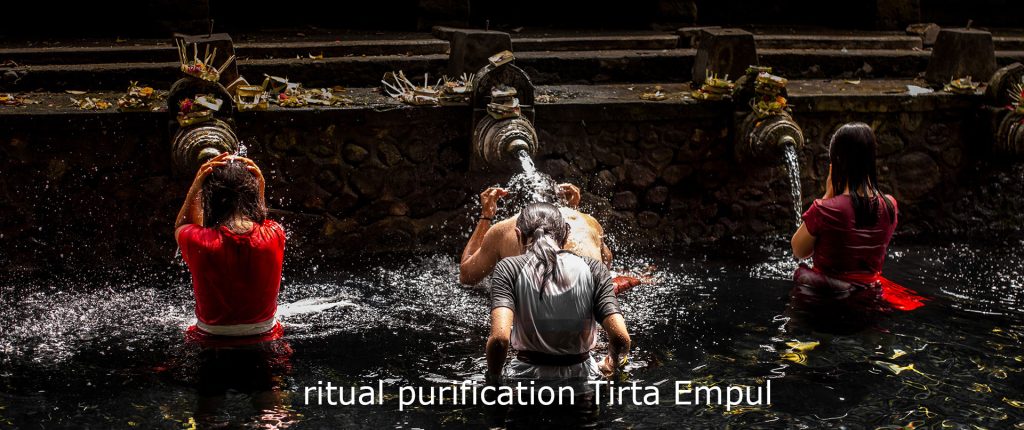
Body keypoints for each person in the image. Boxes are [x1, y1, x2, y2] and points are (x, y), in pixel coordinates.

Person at [486, 203, 631, 382]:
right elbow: (620, 338)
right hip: (582, 381)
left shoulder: (508, 268)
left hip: (525, 381)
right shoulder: (594, 268)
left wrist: (494, 380)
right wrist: (611, 363)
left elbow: (499, 339)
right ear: (566, 233)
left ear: (519, 235)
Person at [790, 122, 924, 311]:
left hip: (828, 300)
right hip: (870, 295)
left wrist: (827, 196)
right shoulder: (890, 205)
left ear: (836, 162)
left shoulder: (825, 209)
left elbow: (798, 250)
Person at [175, 153, 288, 343]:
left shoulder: (199, 241)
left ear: (210, 198)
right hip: (266, 339)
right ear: (251, 196)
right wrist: (260, 185)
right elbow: (259, 220)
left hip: (210, 341)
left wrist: (196, 186)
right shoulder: (275, 234)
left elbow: (182, 226)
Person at [459, 179, 642, 294]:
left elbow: (467, 276)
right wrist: (574, 210)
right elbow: (606, 262)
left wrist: (486, 215)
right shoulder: (587, 221)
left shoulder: (504, 229)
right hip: (586, 311)